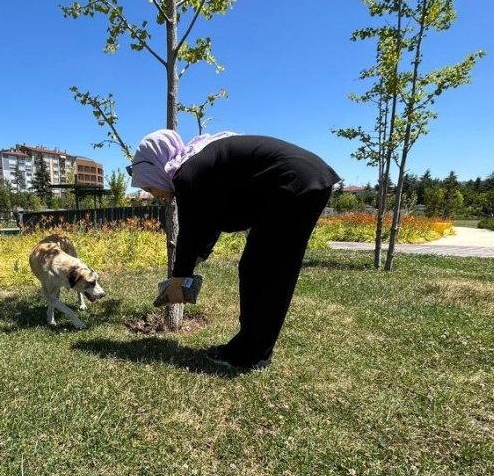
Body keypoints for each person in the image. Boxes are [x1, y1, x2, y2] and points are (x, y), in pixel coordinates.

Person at [128, 129, 340, 371]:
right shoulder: (197, 164)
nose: (154, 195)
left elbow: (191, 230)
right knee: (261, 269)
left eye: (150, 186)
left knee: (266, 271)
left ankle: (250, 355)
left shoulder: (187, 174)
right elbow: (209, 222)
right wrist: (195, 260)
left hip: (293, 183)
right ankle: (251, 349)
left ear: (156, 167)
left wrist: (178, 281)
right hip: (302, 180)